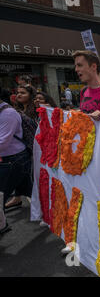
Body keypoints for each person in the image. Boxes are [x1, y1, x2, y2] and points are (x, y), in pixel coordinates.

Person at [0, 88, 33, 227]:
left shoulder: (8, 113)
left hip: (14, 160)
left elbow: (3, 142)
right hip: (11, 160)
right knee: (31, 190)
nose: (19, 95)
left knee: (1, 194)